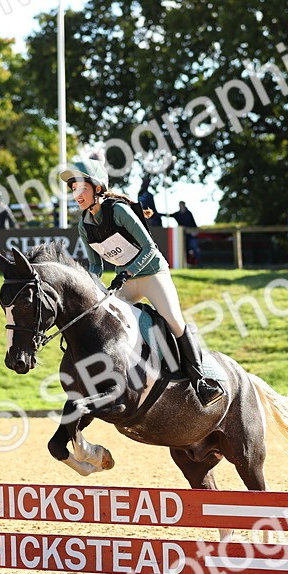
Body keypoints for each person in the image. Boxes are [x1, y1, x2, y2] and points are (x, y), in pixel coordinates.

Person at [59, 158, 223, 406]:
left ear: (97, 189)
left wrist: (128, 272)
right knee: (107, 322)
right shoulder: (84, 224)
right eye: (73, 189)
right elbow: (96, 266)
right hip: (126, 280)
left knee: (174, 321)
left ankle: (201, 381)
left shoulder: (118, 211)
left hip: (152, 274)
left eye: (82, 188)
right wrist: (91, 287)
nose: (77, 194)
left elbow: (150, 247)